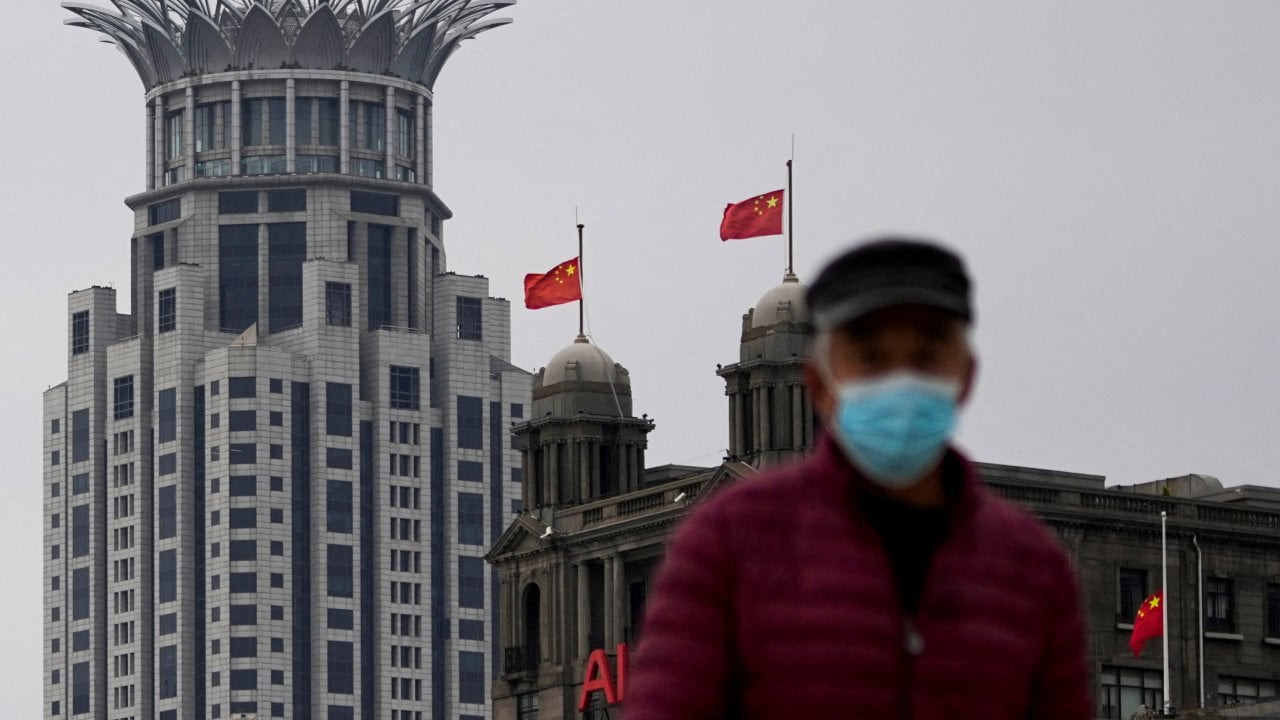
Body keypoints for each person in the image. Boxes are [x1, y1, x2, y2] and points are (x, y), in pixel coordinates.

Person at [624, 238, 1092, 719]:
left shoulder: (1031, 566)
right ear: (820, 383)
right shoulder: (725, 542)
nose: (900, 380)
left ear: (966, 374)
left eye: (926, 355)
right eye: (871, 357)